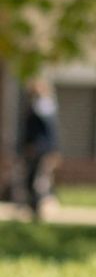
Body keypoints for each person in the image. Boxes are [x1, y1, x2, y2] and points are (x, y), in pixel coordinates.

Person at [13, 79, 59, 218]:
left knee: (38, 179)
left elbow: (48, 131)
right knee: (30, 178)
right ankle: (32, 207)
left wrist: (49, 149)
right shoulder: (36, 105)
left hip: (39, 149)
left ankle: (37, 207)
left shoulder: (44, 106)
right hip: (34, 148)